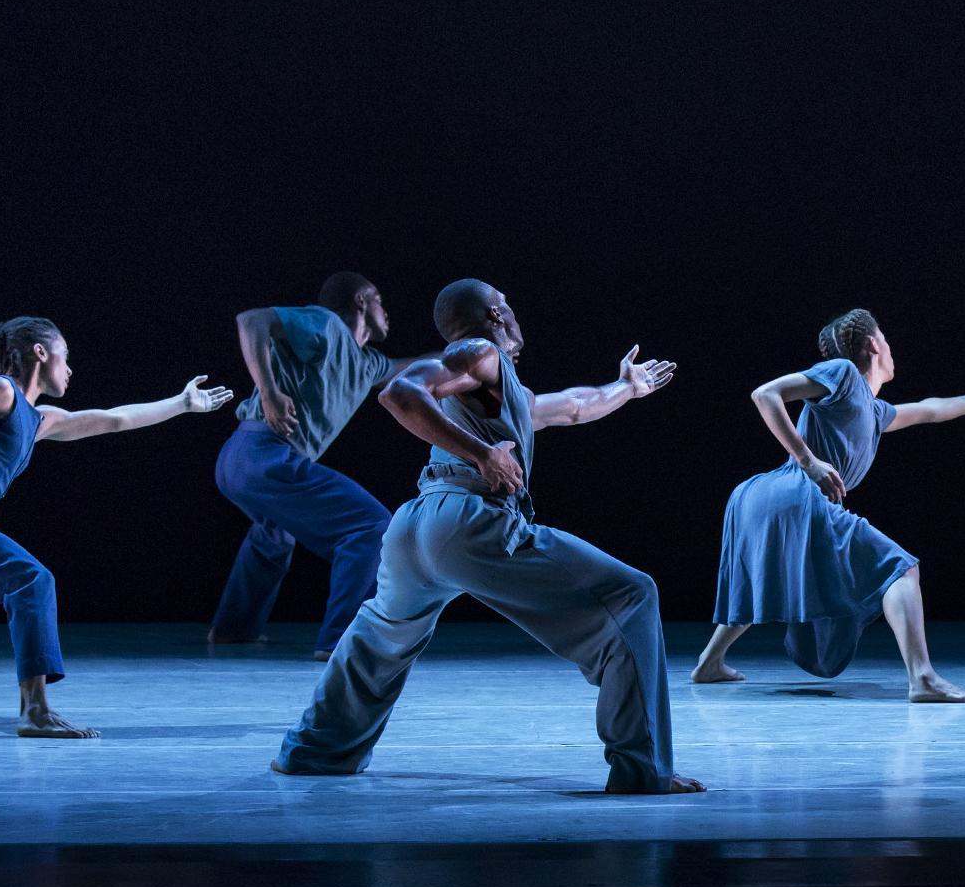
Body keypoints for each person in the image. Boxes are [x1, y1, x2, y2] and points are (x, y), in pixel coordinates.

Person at [273, 278, 701, 793]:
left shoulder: (502, 388)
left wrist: (628, 387)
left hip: (414, 528)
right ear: (497, 315)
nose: (515, 316)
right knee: (632, 595)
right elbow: (400, 393)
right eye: (509, 306)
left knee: (383, 636)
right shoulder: (478, 352)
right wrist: (482, 454)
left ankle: (312, 752)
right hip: (468, 519)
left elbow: (573, 406)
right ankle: (644, 769)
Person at [0, 316, 233, 736]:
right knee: (32, 581)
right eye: (65, 357)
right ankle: (35, 711)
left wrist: (181, 403)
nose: (70, 369)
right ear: (40, 352)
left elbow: (115, 418)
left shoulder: (41, 419)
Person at [688, 308, 965, 701]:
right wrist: (807, 460)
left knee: (767, 577)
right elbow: (765, 394)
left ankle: (709, 663)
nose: (892, 347)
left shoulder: (874, 410)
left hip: (759, 501)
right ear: (874, 344)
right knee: (900, 569)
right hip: (793, 493)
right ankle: (923, 678)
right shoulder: (843, 373)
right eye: (887, 339)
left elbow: (929, 409)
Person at [208, 271, 409, 657]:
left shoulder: (367, 364)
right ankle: (344, 640)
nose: (388, 312)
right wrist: (269, 391)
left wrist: (476, 349)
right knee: (370, 526)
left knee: (274, 537)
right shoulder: (327, 325)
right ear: (362, 300)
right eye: (381, 301)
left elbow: (415, 366)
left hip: (242, 461)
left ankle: (234, 628)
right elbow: (251, 320)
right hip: (262, 451)